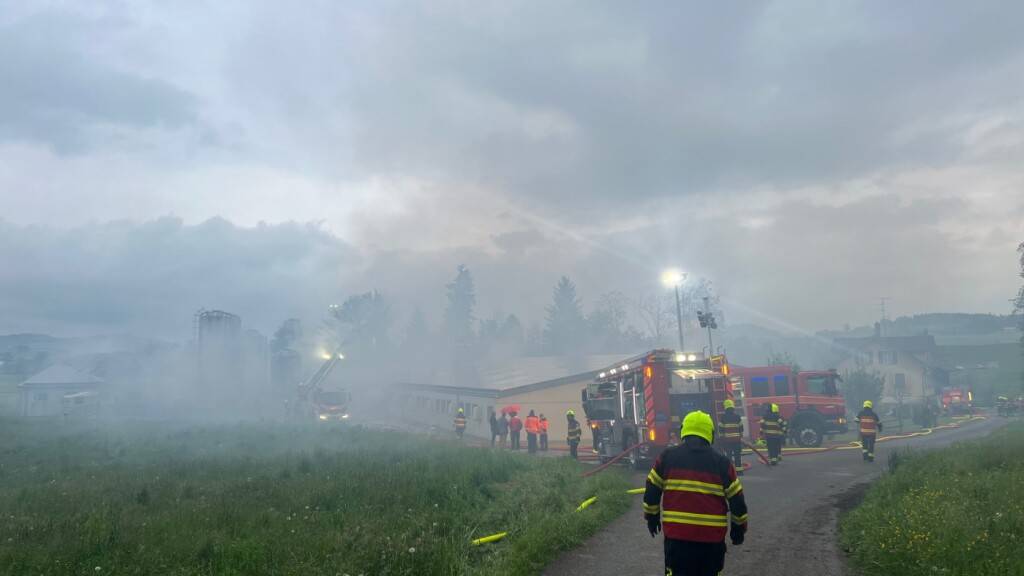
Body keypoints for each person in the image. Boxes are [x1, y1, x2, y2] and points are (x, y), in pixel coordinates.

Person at [644, 411, 748, 576]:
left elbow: (652, 488)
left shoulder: (667, 457)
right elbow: (737, 501)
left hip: (677, 540)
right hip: (711, 542)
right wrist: (738, 529)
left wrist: (652, 517)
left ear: (683, 431)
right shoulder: (722, 463)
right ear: (710, 434)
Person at [717, 399, 744, 475]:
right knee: (737, 455)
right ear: (733, 407)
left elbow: (721, 429)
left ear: (725, 408)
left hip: (727, 441)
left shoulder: (723, 418)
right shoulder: (737, 417)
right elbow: (741, 428)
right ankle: (739, 471)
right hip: (737, 440)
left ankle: (730, 472)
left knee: (728, 456)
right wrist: (740, 436)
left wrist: (722, 439)